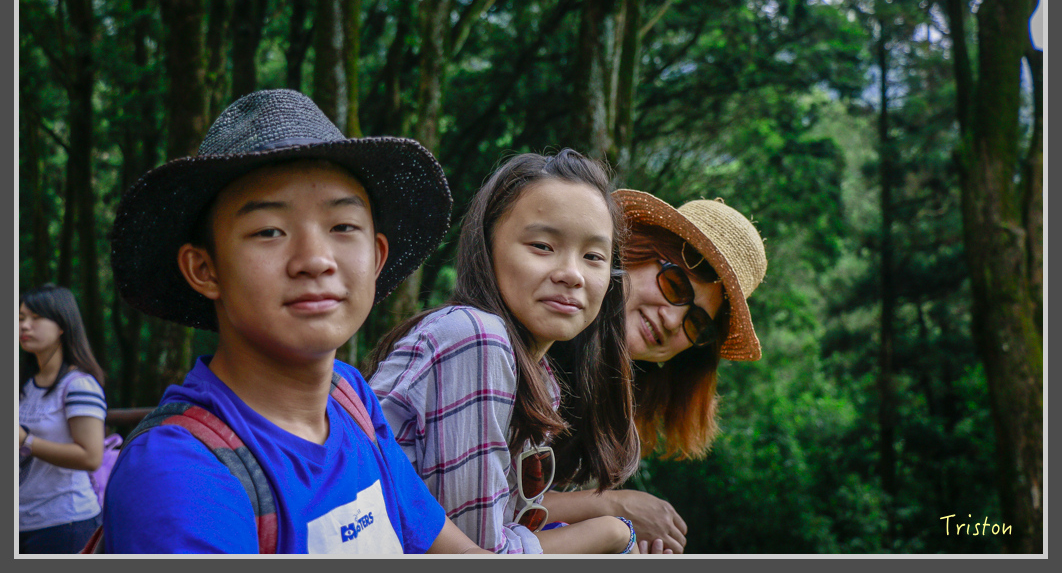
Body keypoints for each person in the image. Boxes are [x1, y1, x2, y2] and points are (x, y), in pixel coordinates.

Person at [102, 88, 491, 554]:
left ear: (376, 257)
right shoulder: (180, 472)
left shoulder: (351, 400)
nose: (315, 260)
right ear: (205, 270)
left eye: (343, 227)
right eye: (269, 231)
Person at [366, 149, 642, 554]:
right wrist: (613, 532)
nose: (572, 274)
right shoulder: (474, 338)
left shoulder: (539, 377)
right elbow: (481, 553)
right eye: (543, 246)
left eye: (594, 257)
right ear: (486, 245)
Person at [544, 190, 767, 553]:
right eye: (675, 285)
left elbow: (527, 515)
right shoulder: (540, 334)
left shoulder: (614, 405)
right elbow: (479, 501)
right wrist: (612, 509)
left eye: (696, 324)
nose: (672, 319)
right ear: (634, 252)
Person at [19, 284, 108, 554]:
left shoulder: (78, 385)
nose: (24, 326)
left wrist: (26, 440)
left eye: (35, 318)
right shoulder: (24, 386)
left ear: (62, 325)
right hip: (22, 522)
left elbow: (91, 457)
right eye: (20, 318)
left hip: (65, 523)